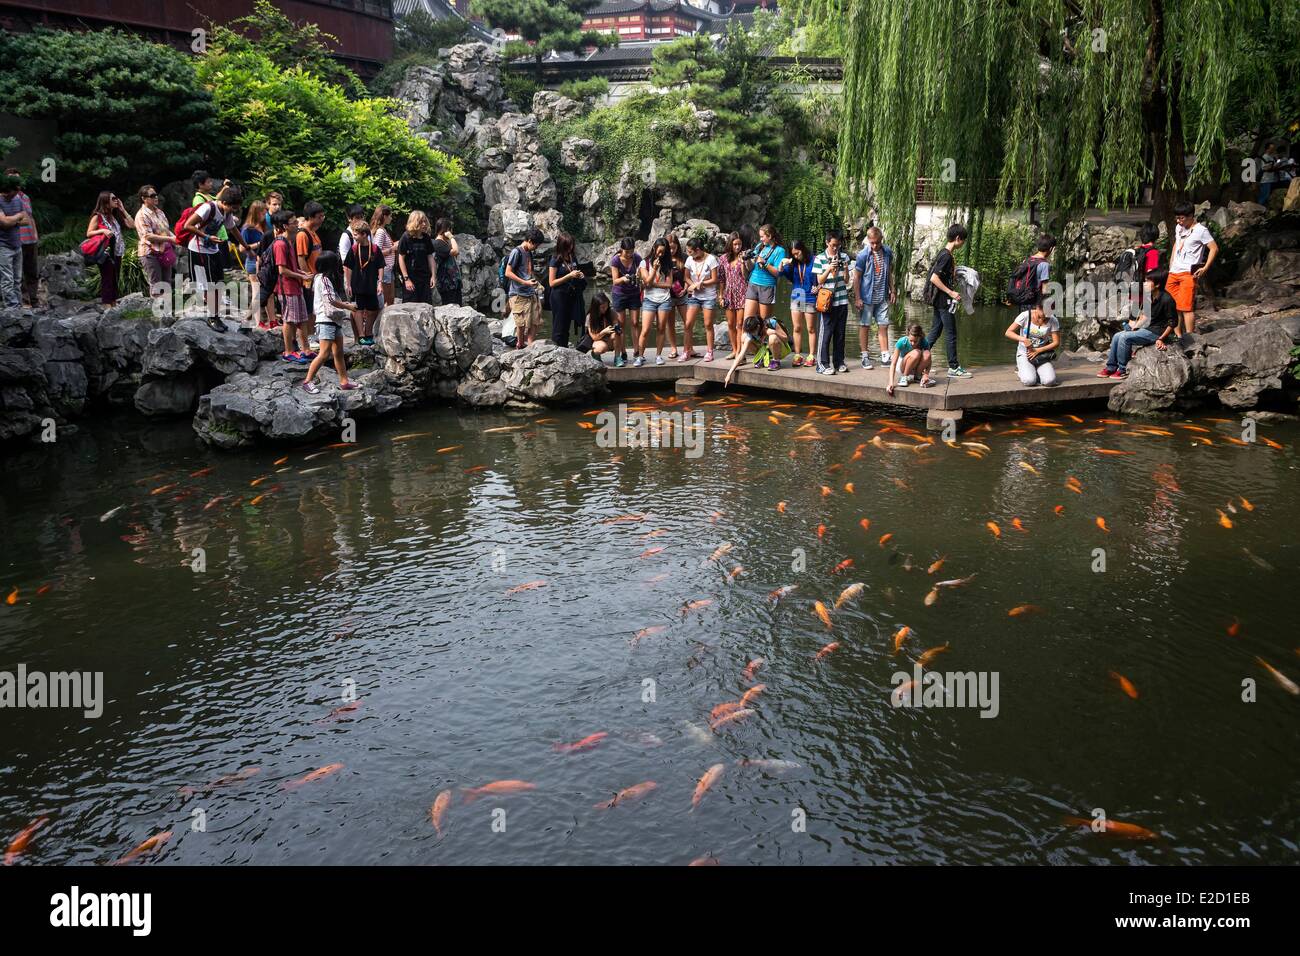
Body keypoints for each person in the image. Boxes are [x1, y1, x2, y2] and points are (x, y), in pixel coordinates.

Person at [184, 185, 249, 331]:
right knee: (208, 285)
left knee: (218, 283)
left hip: (213, 250)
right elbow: (188, 225)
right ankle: (213, 318)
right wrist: (207, 236)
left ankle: (215, 316)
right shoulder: (208, 208)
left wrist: (247, 247)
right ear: (225, 203)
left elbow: (233, 229)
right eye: (233, 208)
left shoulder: (226, 213)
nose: (235, 211)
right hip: (199, 250)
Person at [1099, 267, 1178, 378]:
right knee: (1117, 335)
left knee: (1124, 338)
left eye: (1148, 281)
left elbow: (1173, 323)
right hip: (1147, 329)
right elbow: (1145, 315)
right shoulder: (1149, 296)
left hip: (1157, 332)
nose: (1145, 284)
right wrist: (1135, 326)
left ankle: (1123, 369)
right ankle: (1111, 367)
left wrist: (1161, 338)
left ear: (1157, 285)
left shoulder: (1167, 299)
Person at [302, 252, 361, 394]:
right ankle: (307, 381)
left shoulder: (318, 278)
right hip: (326, 320)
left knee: (339, 352)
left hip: (333, 321)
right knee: (324, 353)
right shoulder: (324, 280)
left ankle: (344, 381)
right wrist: (348, 306)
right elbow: (331, 301)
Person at [926, 223, 971, 377]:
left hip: (940, 300)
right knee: (951, 333)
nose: (963, 244)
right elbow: (934, 278)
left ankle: (917, 358)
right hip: (944, 301)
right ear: (958, 238)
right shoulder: (946, 255)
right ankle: (953, 367)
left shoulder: (944, 253)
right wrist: (951, 292)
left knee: (935, 332)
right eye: (963, 241)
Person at [268, 210, 313, 363]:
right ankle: (288, 351)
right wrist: (302, 276)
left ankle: (306, 349)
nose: (297, 224)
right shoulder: (280, 244)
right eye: (294, 222)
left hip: (295, 286)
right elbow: (282, 270)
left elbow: (292, 266)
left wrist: (303, 274)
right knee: (289, 319)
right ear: (285, 226)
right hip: (286, 288)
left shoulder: (289, 241)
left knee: (301, 318)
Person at [1166, 201, 1217, 335]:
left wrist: (1205, 267)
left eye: (1181, 218)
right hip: (1173, 272)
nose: (1178, 221)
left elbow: (1214, 248)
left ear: (1191, 216)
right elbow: (1176, 245)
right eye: (1177, 218)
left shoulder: (1201, 230)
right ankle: (1178, 336)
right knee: (1173, 307)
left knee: (1186, 307)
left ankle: (1190, 337)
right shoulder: (1179, 228)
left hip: (1188, 274)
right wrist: (1171, 263)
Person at [853, 227, 896, 370]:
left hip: (882, 296)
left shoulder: (887, 252)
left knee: (884, 325)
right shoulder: (863, 255)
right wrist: (858, 298)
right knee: (865, 325)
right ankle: (865, 356)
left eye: (877, 243)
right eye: (872, 243)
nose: (874, 246)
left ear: (881, 240)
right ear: (868, 240)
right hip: (866, 297)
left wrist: (893, 290)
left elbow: (889, 272)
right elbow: (856, 278)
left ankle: (885, 355)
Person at [86, 190, 133, 311]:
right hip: (106, 251)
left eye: (116, 198)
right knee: (107, 276)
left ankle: (113, 302)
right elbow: (89, 233)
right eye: (113, 199)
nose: (116, 200)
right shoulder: (98, 216)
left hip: (117, 251)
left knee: (115, 277)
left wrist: (122, 209)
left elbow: (132, 225)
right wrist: (102, 231)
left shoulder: (114, 216)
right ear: (106, 202)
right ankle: (106, 303)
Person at [812, 230, 851, 375]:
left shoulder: (844, 257)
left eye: (838, 245)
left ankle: (839, 361)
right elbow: (819, 280)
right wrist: (829, 268)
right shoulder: (820, 258)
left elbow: (846, 281)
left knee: (840, 334)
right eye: (833, 245)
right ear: (827, 243)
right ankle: (821, 364)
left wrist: (846, 269)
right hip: (827, 302)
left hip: (842, 300)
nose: (835, 248)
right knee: (826, 333)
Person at [636, 238, 676, 367]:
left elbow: (669, 284)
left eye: (663, 252)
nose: (660, 254)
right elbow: (647, 281)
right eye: (659, 251)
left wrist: (654, 284)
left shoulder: (668, 264)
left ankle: (658, 356)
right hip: (649, 300)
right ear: (654, 249)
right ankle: (640, 356)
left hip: (664, 300)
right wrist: (654, 269)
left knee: (661, 328)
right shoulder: (644, 263)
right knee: (646, 329)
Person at [723, 313, 791, 385]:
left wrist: (775, 332)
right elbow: (741, 355)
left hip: (780, 349)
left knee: (773, 337)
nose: (751, 333)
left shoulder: (772, 322)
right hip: (765, 350)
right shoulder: (750, 333)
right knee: (744, 337)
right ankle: (761, 359)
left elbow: (786, 339)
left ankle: (776, 361)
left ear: (758, 327)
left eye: (752, 331)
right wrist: (729, 374)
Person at [343, 221, 383, 344]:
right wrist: (348, 284)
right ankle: (361, 336)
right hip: (357, 284)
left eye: (356, 235)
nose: (354, 237)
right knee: (358, 309)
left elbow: (380, 266)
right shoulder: (354, 249)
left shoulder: (375, 249)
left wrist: (380, 282)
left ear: (364, 234)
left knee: (373, 309)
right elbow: (347, 267)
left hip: (371, 284)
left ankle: (368, 332)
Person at [1005, 302, 1062, 387]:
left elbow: (1056, 342)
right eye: (1045, 312)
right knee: (1029, 381)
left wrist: (1038, 350)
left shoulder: (1053, 320)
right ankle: (1021, 370)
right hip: (1025, 353)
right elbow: (1008, 332)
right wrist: (1023, 339)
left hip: (1041, 354)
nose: (1047, 316)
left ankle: (1037, 371)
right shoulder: (1025, 316)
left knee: (1049, 381)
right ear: (1038, 308)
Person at [742, 224, 786, 334]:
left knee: (764, 322)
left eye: (762, 237)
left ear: (770, 236)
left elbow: (777, 273)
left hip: (767, 286)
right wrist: (746, 260)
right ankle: (749, 348)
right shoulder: (760, 246)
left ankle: (764, 347)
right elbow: (751, 267)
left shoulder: (779, 251)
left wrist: (764, 263)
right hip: (753, 283)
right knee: (747, 321)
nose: (761, 239)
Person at [780, 240, 817, 366]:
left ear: (803, 249)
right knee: (797, 327)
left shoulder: (813, 259)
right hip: (797, 295)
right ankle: (797, 354)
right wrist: (783, 263)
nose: (796, 256)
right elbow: (781, 273)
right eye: (793, 254)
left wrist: (818, 286)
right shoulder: (793, 263)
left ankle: (811, 355)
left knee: (811, 328)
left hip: (810, 296)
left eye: (798, 253)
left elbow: (820, 276)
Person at [5, 169, 38, 308]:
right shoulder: (5, 198)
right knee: (18, 274)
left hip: (31, 239)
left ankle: (34, 299)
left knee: (32, 270)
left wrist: (36, 234)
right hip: (15, 240)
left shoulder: (25, 197)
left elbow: (30, 217)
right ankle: (24, 301)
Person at [134, 185, 174, 299]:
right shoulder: (141, 215)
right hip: (150, 253)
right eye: (152, 196)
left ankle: (167, 312)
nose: (156, 197)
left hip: (164, 251)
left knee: (166, 283)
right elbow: (148, 236)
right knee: (156, 284)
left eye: (156, 195)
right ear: (144, 198)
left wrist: (177, 239)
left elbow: (165, 230)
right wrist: (170, 239)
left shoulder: (160, 212)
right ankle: (157, 313)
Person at [505, 228, 544, 347]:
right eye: (536, 245)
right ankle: (520, 344)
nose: (536, 248)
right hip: (518, 293)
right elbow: (508, 272)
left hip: (530, 292)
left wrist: (537, 283)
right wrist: (525, 282)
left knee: (535, 320)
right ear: (530, 241)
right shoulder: (516, 252)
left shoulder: (529, 253)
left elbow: (529, 272)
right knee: (520, 323)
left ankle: (530, 344)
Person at [682, 236, 718, 362]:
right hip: (695, 296)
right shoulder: (689, 260)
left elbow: (715, 279)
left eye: (690, 251)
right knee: (688, 324)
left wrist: (702, 284)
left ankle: (709, 351)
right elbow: (685, 277)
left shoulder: (711, 259)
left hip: (708, 296)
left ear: (698, 250)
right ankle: (686, 351)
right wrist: (692, 284)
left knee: (708, 324)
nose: (688, 254)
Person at [547, 231, 585, 349]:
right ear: (562, 245)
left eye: (572, 245)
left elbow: (574, 271)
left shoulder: (572, 257)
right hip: (559, 296)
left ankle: (564, 348)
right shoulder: (555, 260)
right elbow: (552, 283)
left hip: (571, 295)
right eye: (568, 246)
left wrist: (580, 275)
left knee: (567, 324)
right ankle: (556, 350)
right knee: (559, 326)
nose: (571, 248)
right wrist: (569, 276)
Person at [609, 238, 642, 365]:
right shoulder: (616, 260)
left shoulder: (637, 258)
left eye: (631, 251)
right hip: (620, 294)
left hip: (634, 293)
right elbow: (615, 281)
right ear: (622, 249)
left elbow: (641, 272)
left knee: (635, 323)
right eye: (627, 251)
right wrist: (624, 278)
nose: (629, 254)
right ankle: (623, 352)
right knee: (621, 324)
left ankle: (637, 351)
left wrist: (638, 276)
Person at [0, 174, 27, 312]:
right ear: (9, 190)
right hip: (3, 246)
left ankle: (18, 307)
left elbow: (26, 220)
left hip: (17, 245)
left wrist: (11, 220)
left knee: (17, 279)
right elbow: (3, 223)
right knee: (7, 279)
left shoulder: (17, 199)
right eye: (15, 191)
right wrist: (17, 217)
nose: (17, 193)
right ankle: (11, 307)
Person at [397, 210, 436, 305]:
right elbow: (401, 258)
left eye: (425, 221)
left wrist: (434, 276)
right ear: (415, 223)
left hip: (424, 277)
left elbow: (430, 256)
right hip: (411, 277)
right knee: (410, 305)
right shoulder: (406, 237)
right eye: (421, 222)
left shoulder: (426, 238)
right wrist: (406, 279)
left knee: (426, 305)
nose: (424, 224)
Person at [719, 232, 747, 358]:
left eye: (739, 244)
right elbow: (721, 279)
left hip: (742, 292)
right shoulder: (723, 258)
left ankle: (740, 353)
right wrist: (721, 296)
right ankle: (734, 350)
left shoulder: (744, 257)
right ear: (730, 244)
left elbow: (747, 276)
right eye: (735, 244)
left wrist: (743, 261)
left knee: (740, 323)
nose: (737, 247)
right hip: (728, 293)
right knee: (730, 323)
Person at [886, 324, 935, 395]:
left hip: (915, 365)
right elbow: (893, 364)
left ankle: (917, 376)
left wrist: (926, 374)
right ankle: (904, 377)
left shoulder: (924, 342)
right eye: (911, 340)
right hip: (902, 366)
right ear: (907, 336)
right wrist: (890, 383)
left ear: (920, 337)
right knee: (917, 352)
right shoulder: (901, 341)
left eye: (915, 341)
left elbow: (929, 360)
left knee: (927, 353)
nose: (913, 343)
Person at [240, 200, 267, 328]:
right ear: (256, 213)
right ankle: (258, 322)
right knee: (257, 292)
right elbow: (241, 248)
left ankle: (252, 319)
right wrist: (258, 245)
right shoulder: (247, 229)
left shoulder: (262, 226)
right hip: (252, 262)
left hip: (262, 262)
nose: (265, 214)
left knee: (261, 292)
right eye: (263, 212)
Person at [664, 232, 686, 359]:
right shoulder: (662, 258)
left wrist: (687, 289)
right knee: (670, 323)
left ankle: (688, 347)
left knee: (687, 322)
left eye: (674, 247)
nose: (672, 250)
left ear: (678, 246)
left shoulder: (684, 257)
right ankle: (673, 348)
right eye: (669, 248)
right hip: (668, 295)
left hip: (682, 294)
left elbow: (689, 276)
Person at [431, 217, 461, 306]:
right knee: (451, 308)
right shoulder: (438, 244)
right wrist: (451, 237)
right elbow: (456, 251)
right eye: (450, 229)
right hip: (447, 284)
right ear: (446, 230)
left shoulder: (443, 243)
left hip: (452, 284)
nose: (452, 231)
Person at [583, 292, 623, 359]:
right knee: (600, 349)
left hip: (609, 339)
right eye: (602, 307)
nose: (605, 309)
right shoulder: (590, 317)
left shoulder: (611, 312)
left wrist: (616, 328)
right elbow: (594, 337)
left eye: (607, 306)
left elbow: (616, 325)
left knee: (617, 334)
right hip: (597, 340)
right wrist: (604, 331)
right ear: (596, 307)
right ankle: (595, 354)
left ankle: (617, 357)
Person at [371, 205, 397, 307]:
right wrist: (392, 249)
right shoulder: (381, 232)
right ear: (384, 216)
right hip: (384, 269)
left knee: (390, 299)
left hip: (388, 269)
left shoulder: (383, 230)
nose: (391, 218)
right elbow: (376, 252)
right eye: (390, 216)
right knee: (386, 300)